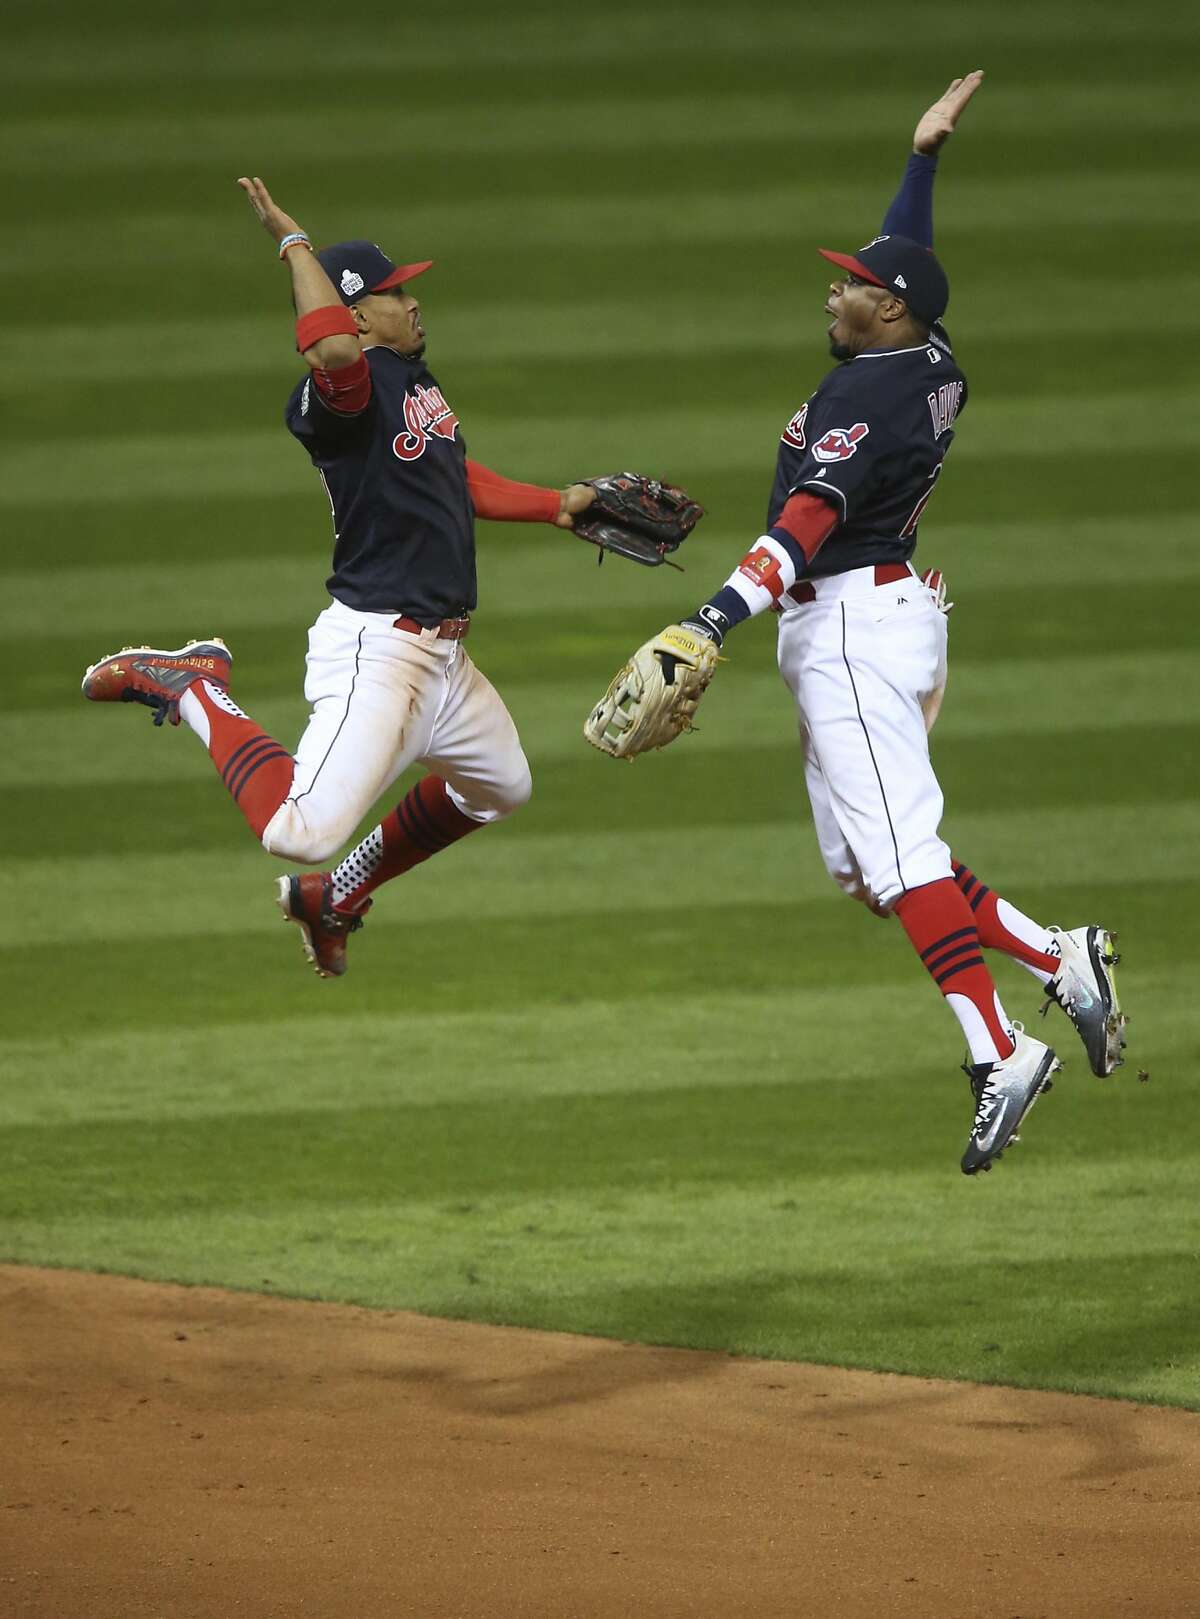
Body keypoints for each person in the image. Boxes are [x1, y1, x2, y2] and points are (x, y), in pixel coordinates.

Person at [590, 75, 1129, 1174]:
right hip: (887, 610)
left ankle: (999, 1050)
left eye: (850, 288)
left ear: (885, 312)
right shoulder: (927, 360)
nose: (834, 293)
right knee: (871, 866)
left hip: (847, 628)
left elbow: (801, 523)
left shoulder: (859, 403)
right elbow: (906, 258)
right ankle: (1055, 953)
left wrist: (710, 618)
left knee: (901, 854)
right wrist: (923, 157)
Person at [82, 178, 606, 978]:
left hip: (444, 664)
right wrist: (294, 243)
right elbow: (329, 350)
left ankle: (338, 893)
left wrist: (556, 506)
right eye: (396, 294)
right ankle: (192, 685)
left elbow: (453, 479)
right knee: (296, 830)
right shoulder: (345, 393)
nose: (414, 303)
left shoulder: (413, 381)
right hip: (379, 652)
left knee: (500, 787)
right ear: (358, 313)